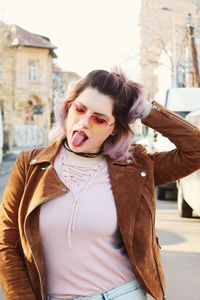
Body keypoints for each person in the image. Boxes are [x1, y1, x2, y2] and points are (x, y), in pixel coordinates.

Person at [0, 67, 200, 300]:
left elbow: (195, 150)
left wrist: (146, 110)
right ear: (68, 107)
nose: (84, 122)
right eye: (80, 109)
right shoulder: (30, 164)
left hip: (123, 294)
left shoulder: (135, 167)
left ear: (114, 128)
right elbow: (7, 244)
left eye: (99, 118)